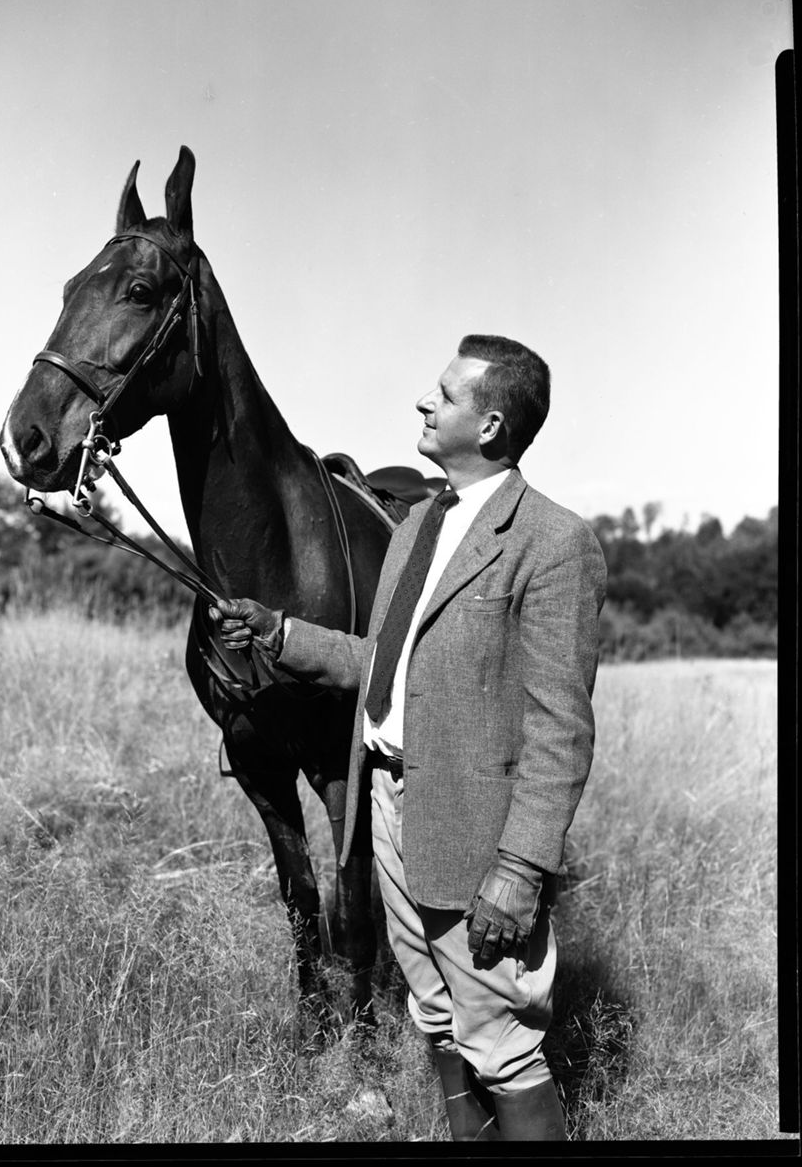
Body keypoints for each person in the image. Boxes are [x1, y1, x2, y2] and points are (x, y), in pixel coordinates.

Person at [210, 335, 606, 1142]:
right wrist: (280, 632)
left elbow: (562, 730)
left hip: (474, 830)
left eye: (446, 394)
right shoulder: (421, 523)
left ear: (490, 426)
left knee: (502, 1039)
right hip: (388, 801)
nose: (426, 401)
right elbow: (382, 663)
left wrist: (520, 868)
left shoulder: (554, 542)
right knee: (434, 1008)